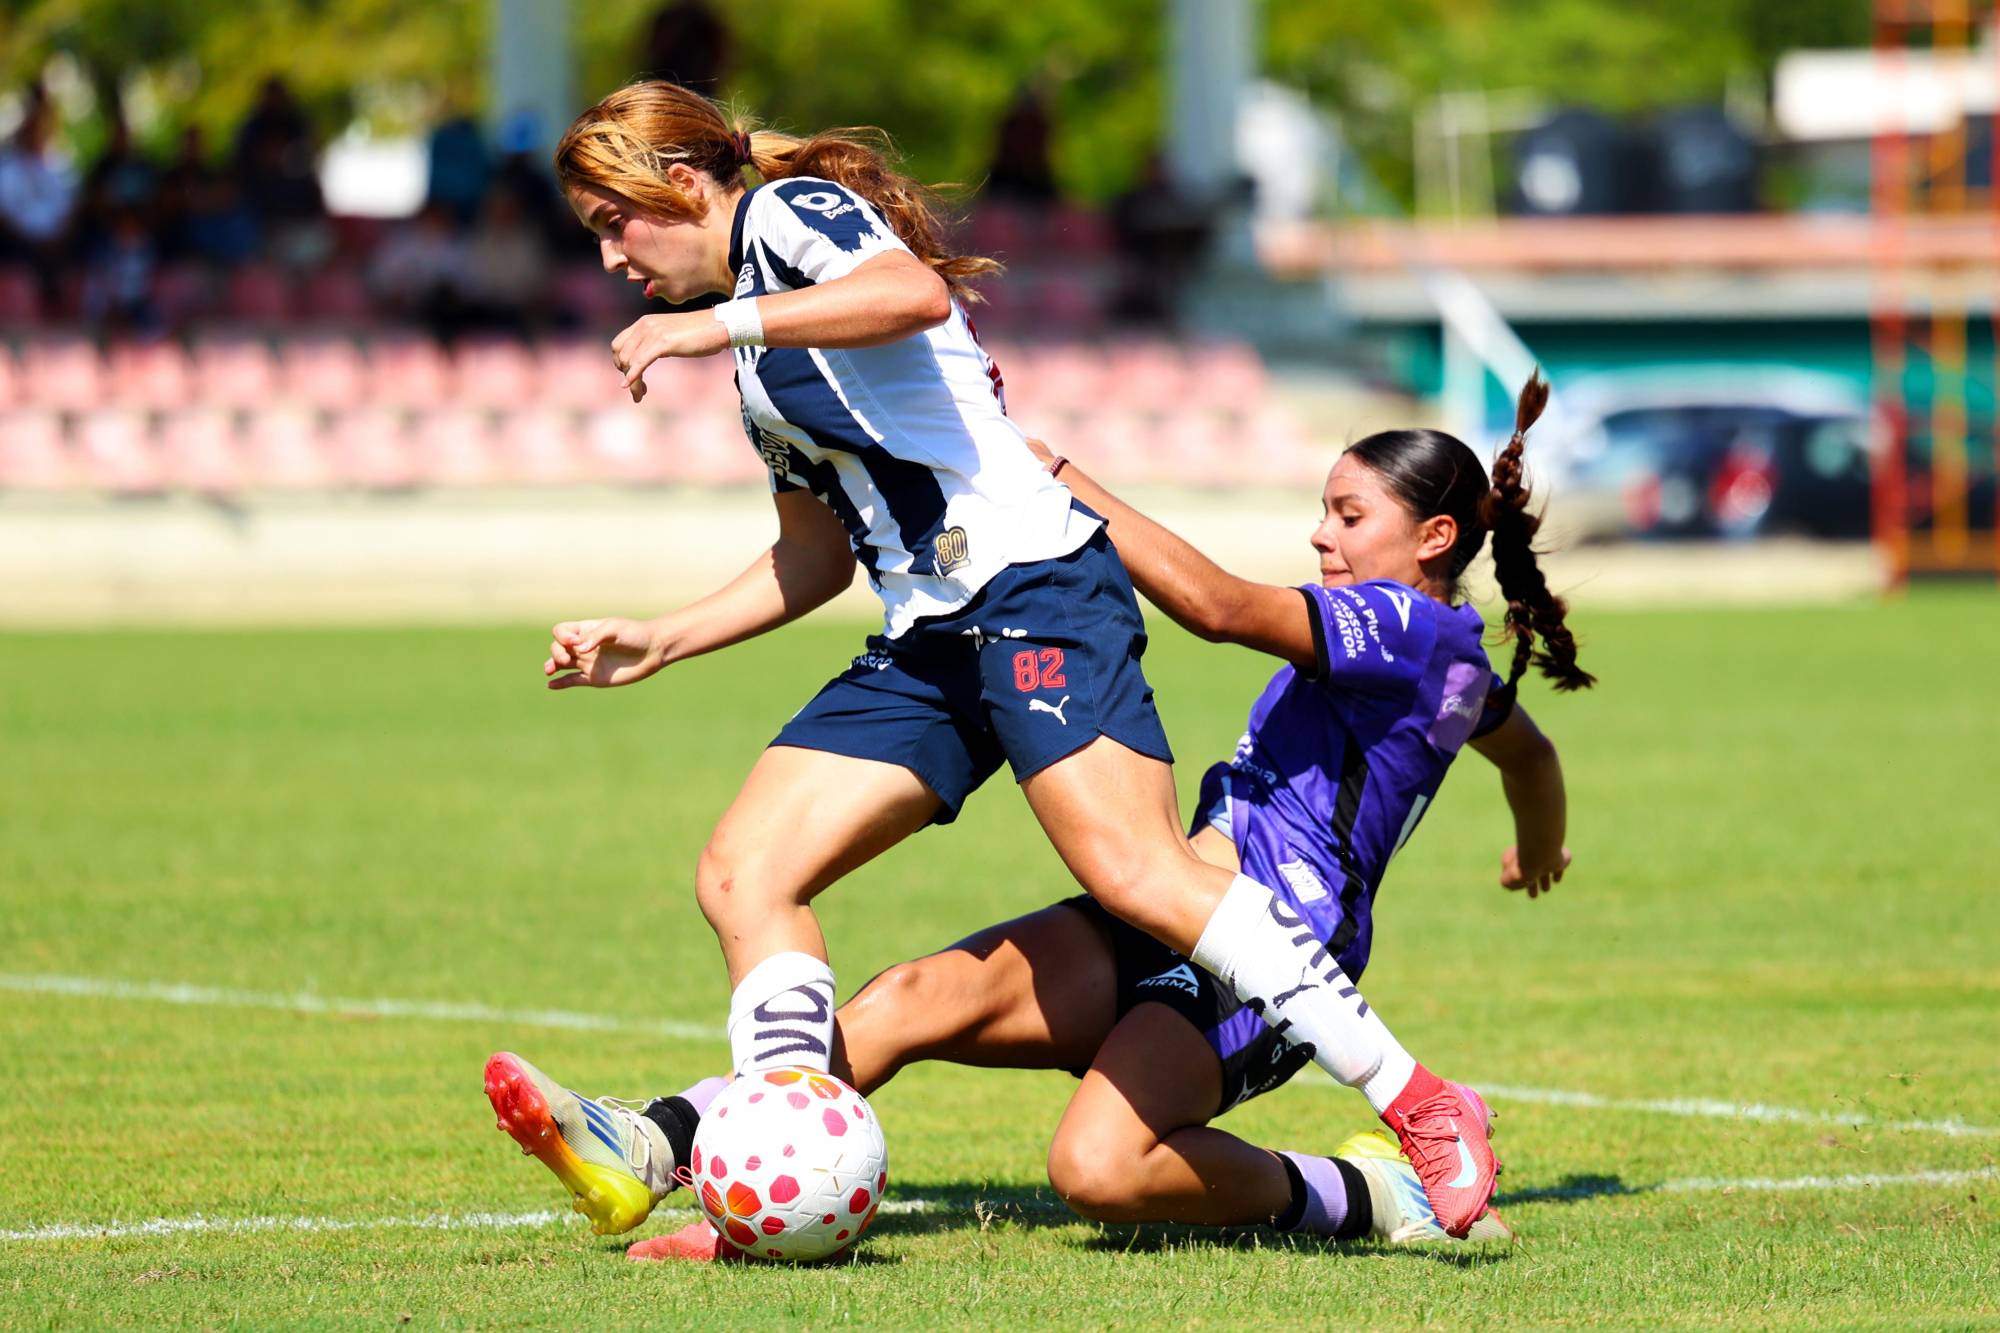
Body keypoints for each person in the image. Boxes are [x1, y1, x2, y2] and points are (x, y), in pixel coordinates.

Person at [488, 80, 1501, 1237]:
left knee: (1139, 877)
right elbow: (813, 558)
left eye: (614, 222)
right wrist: (662, 635)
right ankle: (722, 1152)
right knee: (743, 874)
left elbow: (908, 293)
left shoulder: (785, 218)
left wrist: (711, 321)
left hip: (1032, 586)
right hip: (926, 640)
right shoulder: (761, 374)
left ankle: (1418, 1105)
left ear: (679, 184)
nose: (610, 257)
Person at [486, 375, 1585, 1260]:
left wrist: (1045, 470)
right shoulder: (1448, 660)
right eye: (1320, 513)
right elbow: (1524, 750)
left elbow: (1209, 605)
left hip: (1264, 951)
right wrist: (1539, 844)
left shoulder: (1407, 629)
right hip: (1172, 902)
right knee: (908, 999)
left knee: (1097, 1172)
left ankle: (1362, 1192)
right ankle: (668, 1141)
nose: (1319, 538)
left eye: (1348, 516)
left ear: (1434, 536)